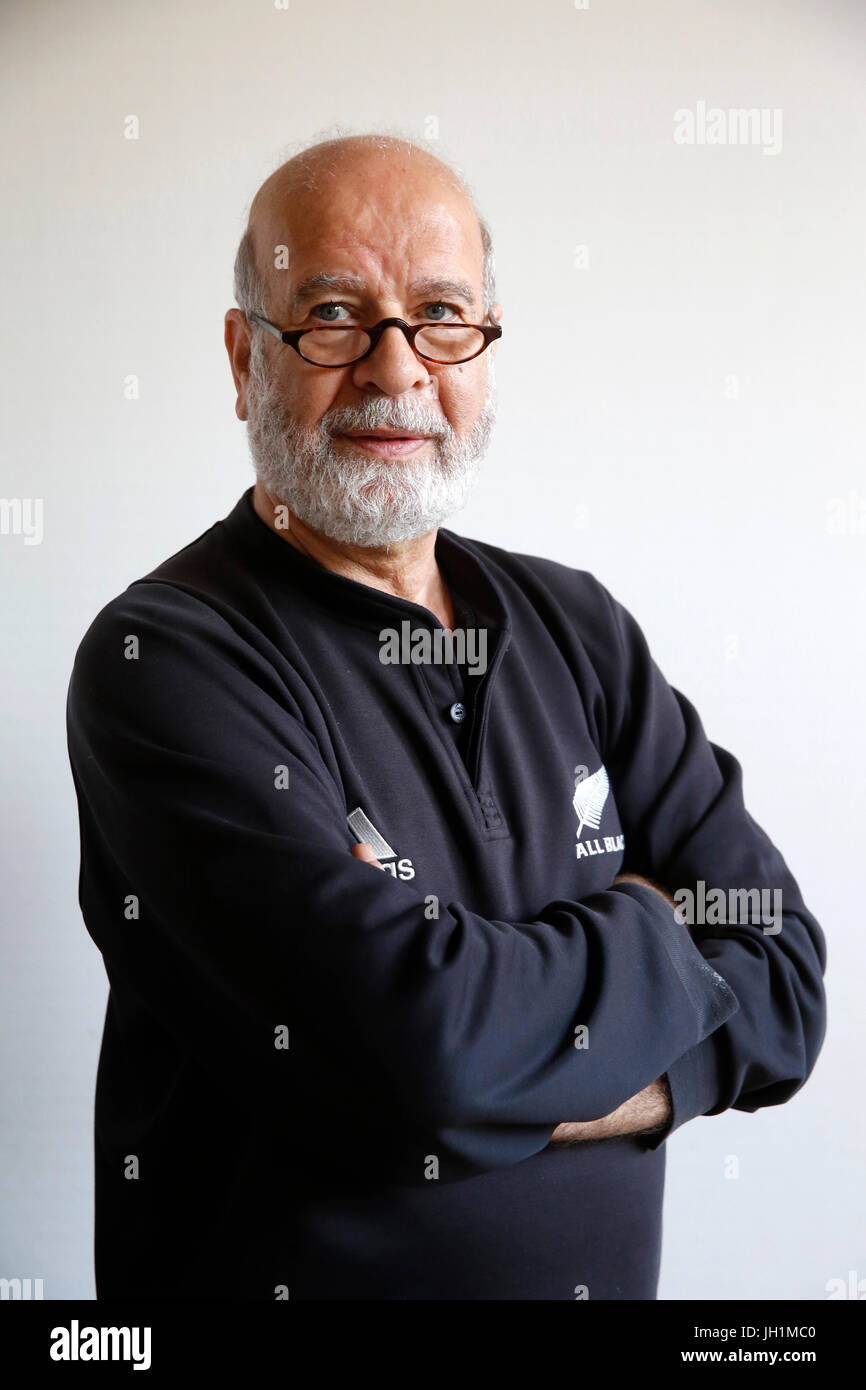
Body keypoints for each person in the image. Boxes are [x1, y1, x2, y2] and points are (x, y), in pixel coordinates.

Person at [65, 132, 826, 1300]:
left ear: (481, 344)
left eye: (439, 314)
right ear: (241, 357)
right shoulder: (165, 661)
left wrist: (500, 1063)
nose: (393, 368)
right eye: (330, 313)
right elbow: (417, 1060)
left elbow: (782, 974)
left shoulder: (580, 631)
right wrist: (659, 937)